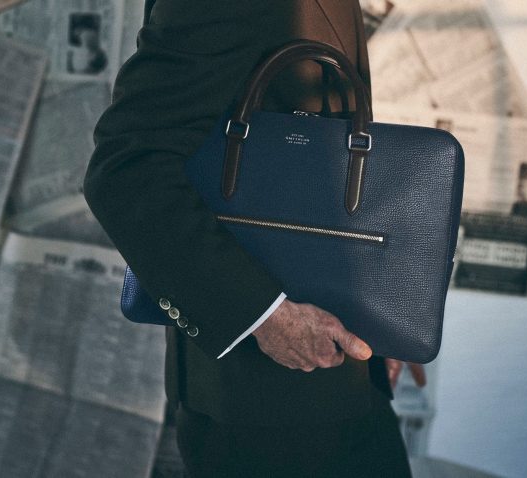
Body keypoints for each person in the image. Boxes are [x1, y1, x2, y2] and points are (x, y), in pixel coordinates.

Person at [83, 1, 424, 476]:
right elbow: (126, 171)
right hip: (262, 405)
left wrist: (376, 317)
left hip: (339, 382)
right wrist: (265, 317)